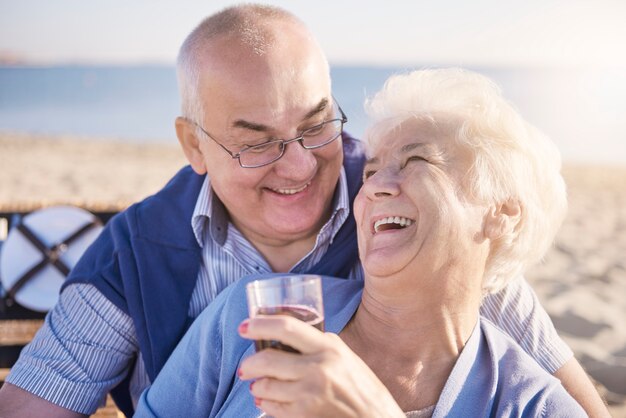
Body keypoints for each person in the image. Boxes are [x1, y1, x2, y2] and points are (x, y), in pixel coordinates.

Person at [0, 4, 607, 418]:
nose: (298, 166)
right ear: (194, 147)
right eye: (257, 140)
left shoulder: (407, 223)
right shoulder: (139, 252)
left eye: (317, 127)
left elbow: (564, 392)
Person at [134, 68, 587, 417]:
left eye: (416, 161)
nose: (372, 189)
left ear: (502, 214)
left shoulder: (532, 405)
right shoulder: (253, 317)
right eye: (370, 172)